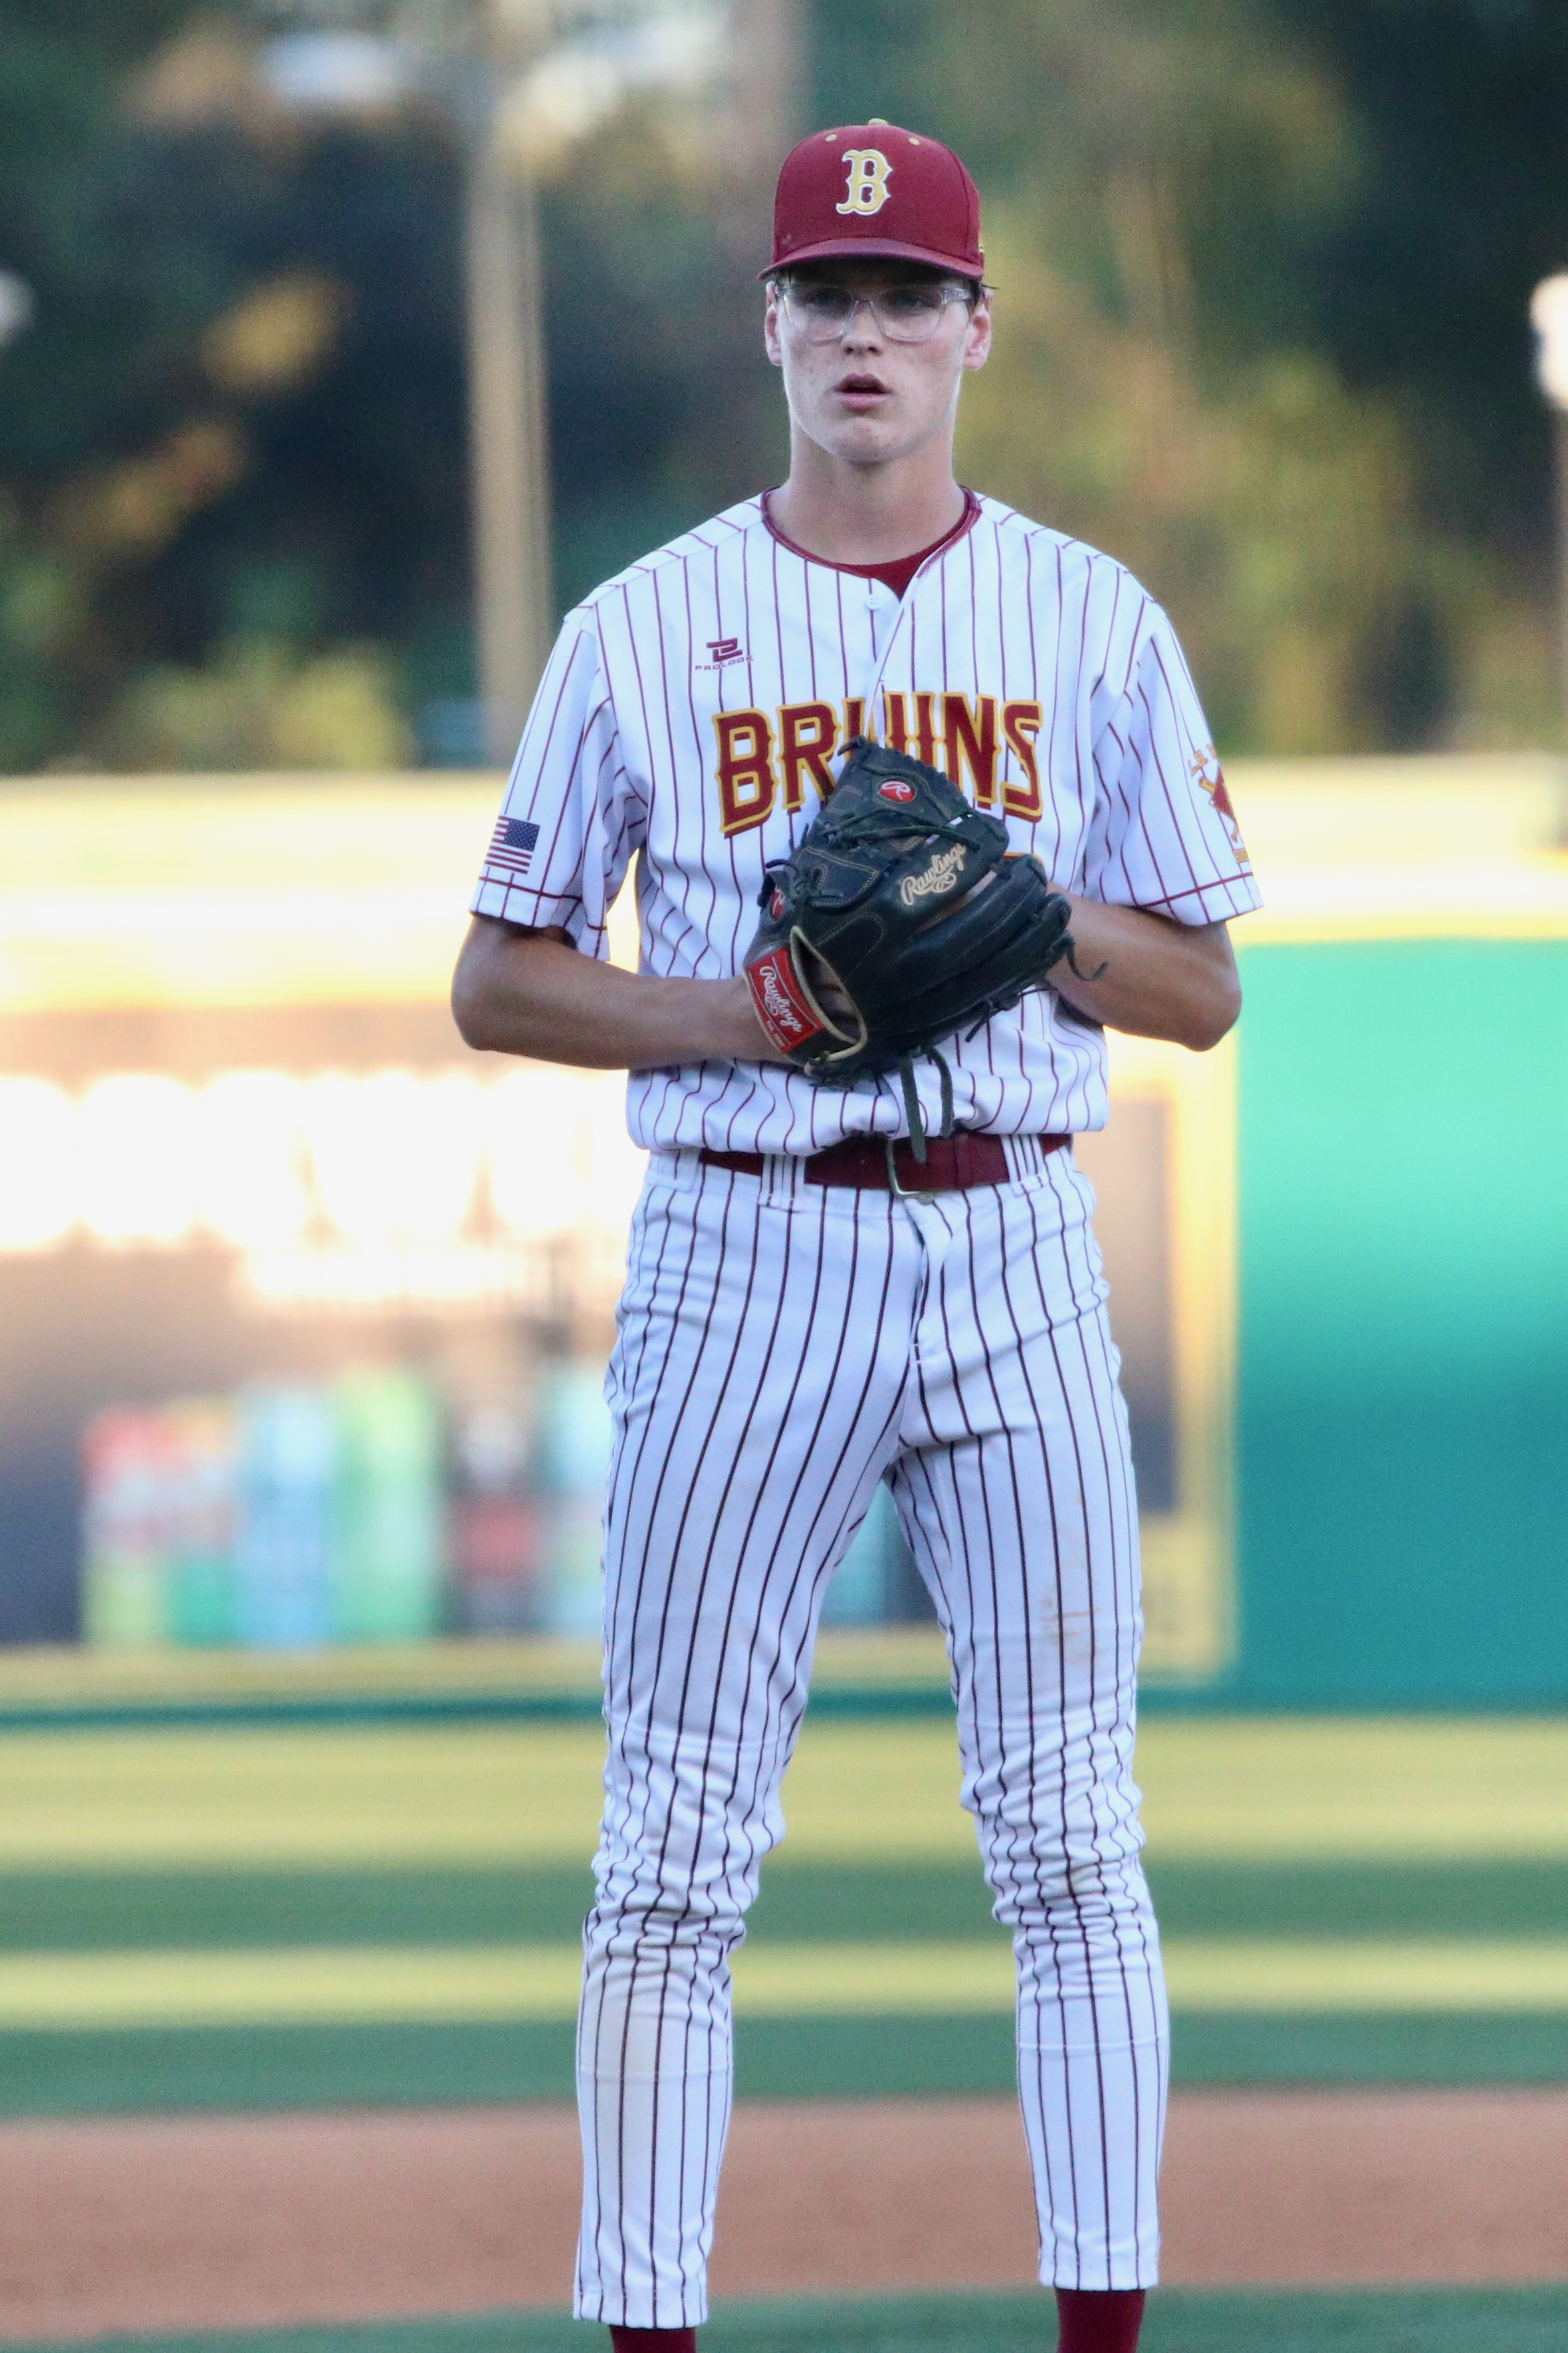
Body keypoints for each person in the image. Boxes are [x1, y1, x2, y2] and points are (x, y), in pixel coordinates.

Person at [453, 117, 1260, 2353]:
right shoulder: (643, 626)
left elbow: (1198, 985)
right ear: (775, 331)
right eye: (831, 293)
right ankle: (647, 2332)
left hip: (1009, 1243)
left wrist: (1033, 932)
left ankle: (1104, 2330)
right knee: (673, 1859)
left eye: (910, 297)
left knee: (1073, 1838)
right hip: (742, 1245)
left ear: (977, 331)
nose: (869, 330)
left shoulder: (1093, 616)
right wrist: (743, 1010)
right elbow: (500, 973)